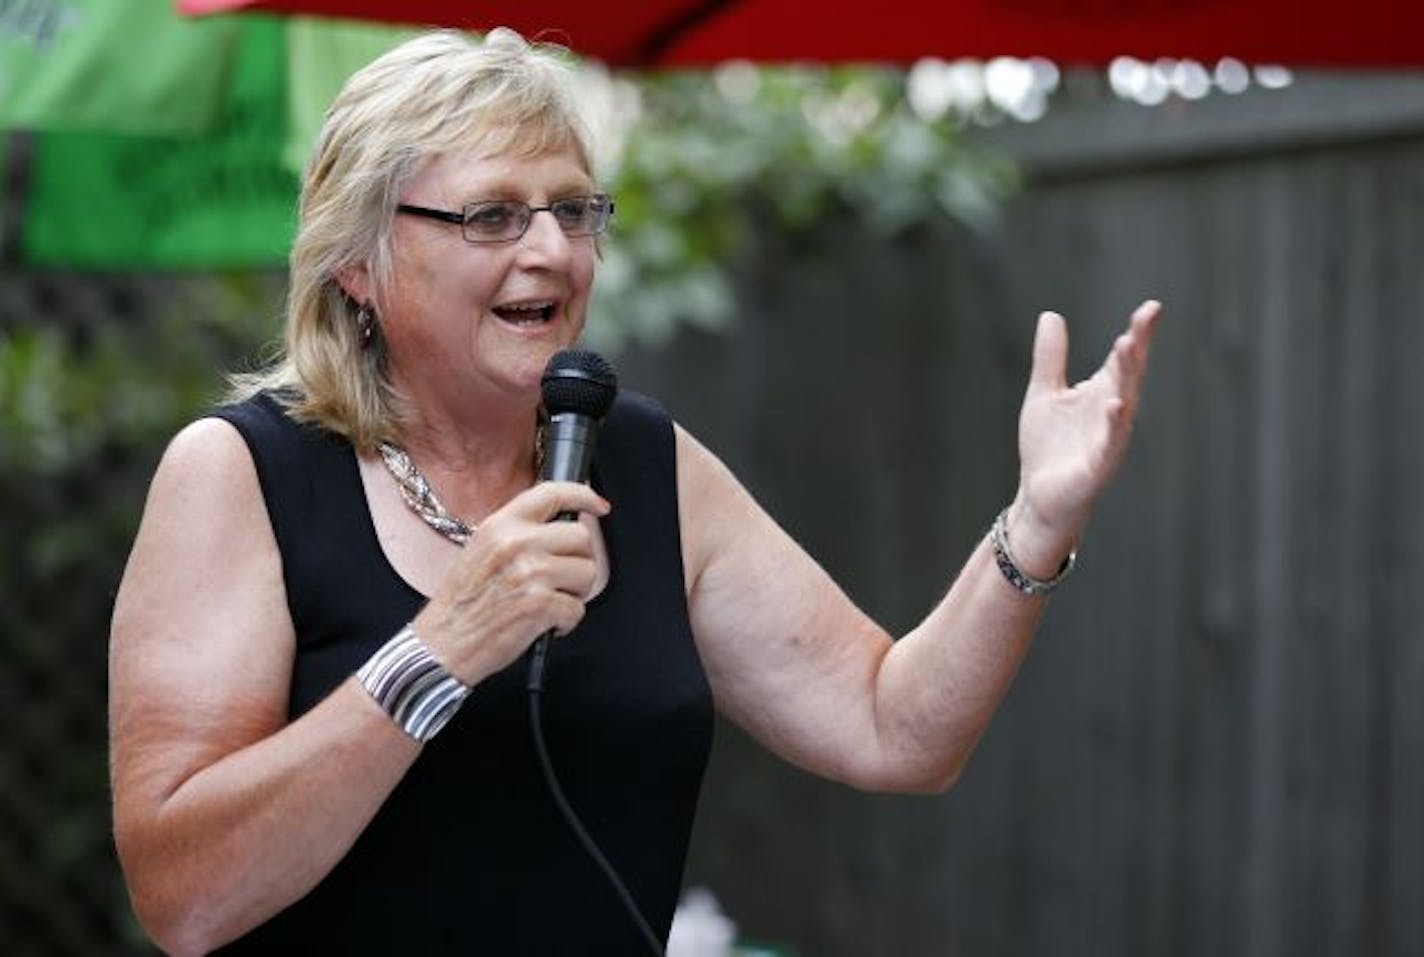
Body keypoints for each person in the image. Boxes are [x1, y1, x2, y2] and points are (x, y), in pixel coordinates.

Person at [107, 27, 1161, 956]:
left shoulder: (642, 462)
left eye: (573, 209)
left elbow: (894, 730)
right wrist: (442, 649)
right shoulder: (243, 474)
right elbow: (186, 898)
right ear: (358, 261)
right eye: (490, 216)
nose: (551, 251)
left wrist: (1034, 525)